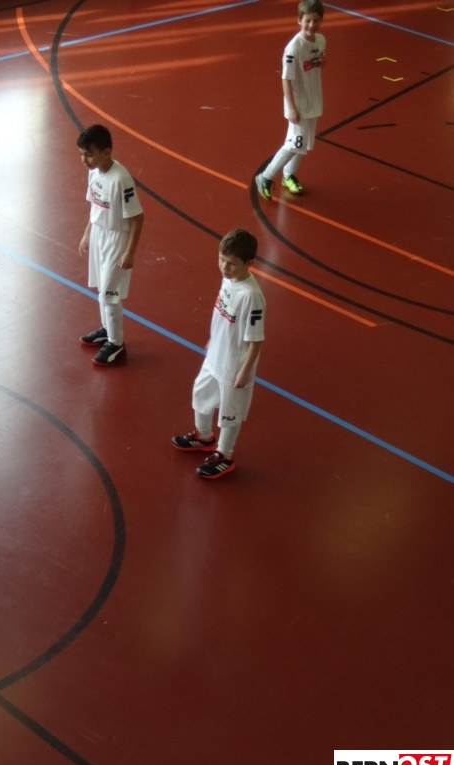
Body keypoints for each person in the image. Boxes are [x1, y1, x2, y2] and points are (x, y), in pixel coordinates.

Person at [171, 229, 266, 479]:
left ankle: (225, 455)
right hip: (215, 355)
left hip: (234, 365)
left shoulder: (251, 296)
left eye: (232, 263)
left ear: (248, 264)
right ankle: (203, 436)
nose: (225, 267)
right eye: (221, 260)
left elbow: (256, 340)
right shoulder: (228, 280)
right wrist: (213, 341)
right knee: (200, 393)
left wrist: (244, 371)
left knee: (229, 412)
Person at [76, 124, 144, 366]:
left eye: (89, 154)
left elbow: (137, 218)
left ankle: (116, 343)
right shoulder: (94, 173)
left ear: (106, 152)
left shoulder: (121, 179)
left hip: (116, 239)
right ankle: (107, 329)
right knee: (101, 290)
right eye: (82, 154)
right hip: (99, 234)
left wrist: (129, 252)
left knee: (110, 294)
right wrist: (88, 233)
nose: (84, 160)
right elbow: (95, 206)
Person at [255, 0, 327, 200]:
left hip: (313, 100)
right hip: (298, 104)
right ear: (299, 21)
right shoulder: (293, 48)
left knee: (302, 144)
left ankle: (288, 175)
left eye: (316, 21)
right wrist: (292, 108)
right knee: (294, 142)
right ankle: (265, 177)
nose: (311, 25)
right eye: (307, 21)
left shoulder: (321, 40)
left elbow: (318, 63)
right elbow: (286, 79)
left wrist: (323, 62)